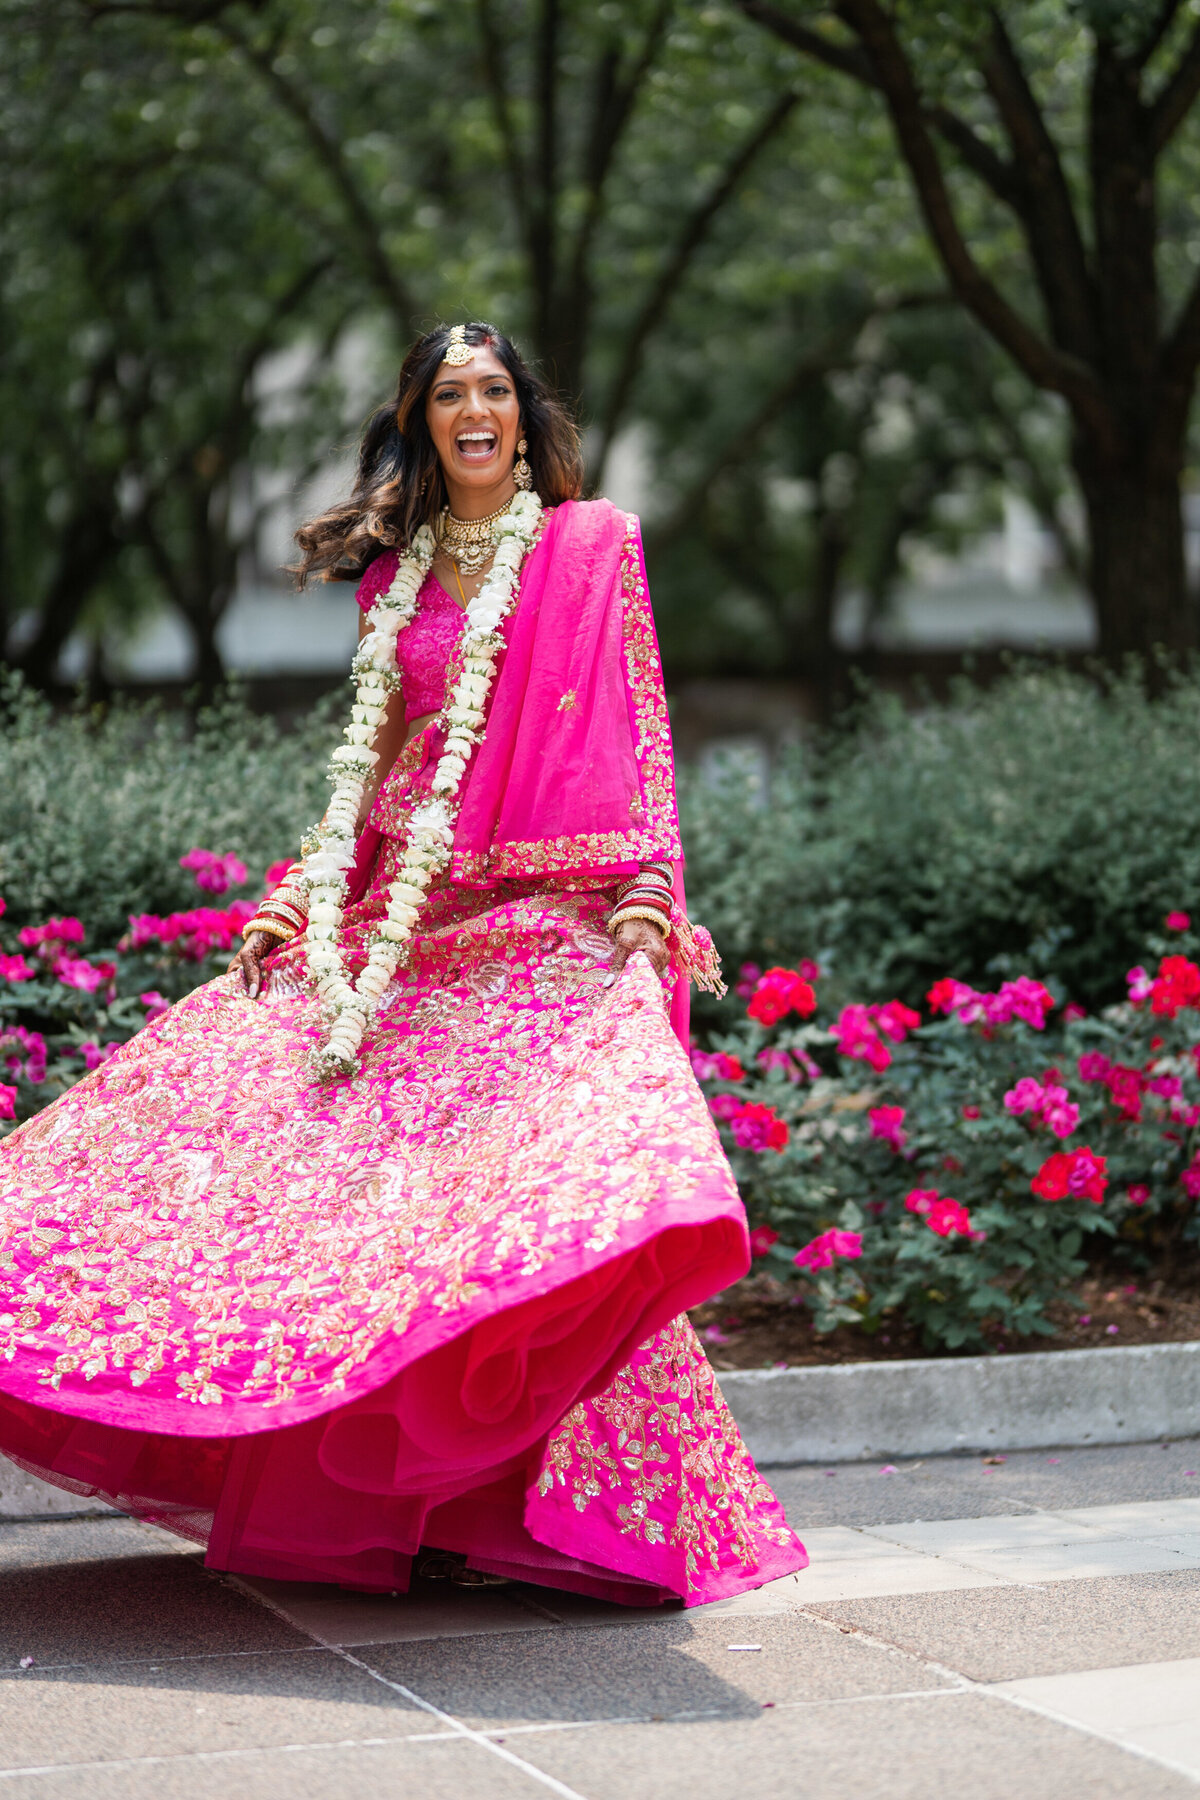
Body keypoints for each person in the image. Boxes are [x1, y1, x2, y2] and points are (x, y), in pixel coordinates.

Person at [0, 323, 806, 1607]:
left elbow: (634, 723)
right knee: (303, 1152)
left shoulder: (591, 545)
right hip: (399, 921)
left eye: (493, 391)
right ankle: (410, 1501)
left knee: (534, 1182)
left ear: (523, 417)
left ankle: (535, 1509)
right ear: (422, 422)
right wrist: (295, 896)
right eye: (448, 394)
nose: (473, 410)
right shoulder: (398, 581)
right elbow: (372, 765)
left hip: (543, 909)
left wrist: (645, 886)